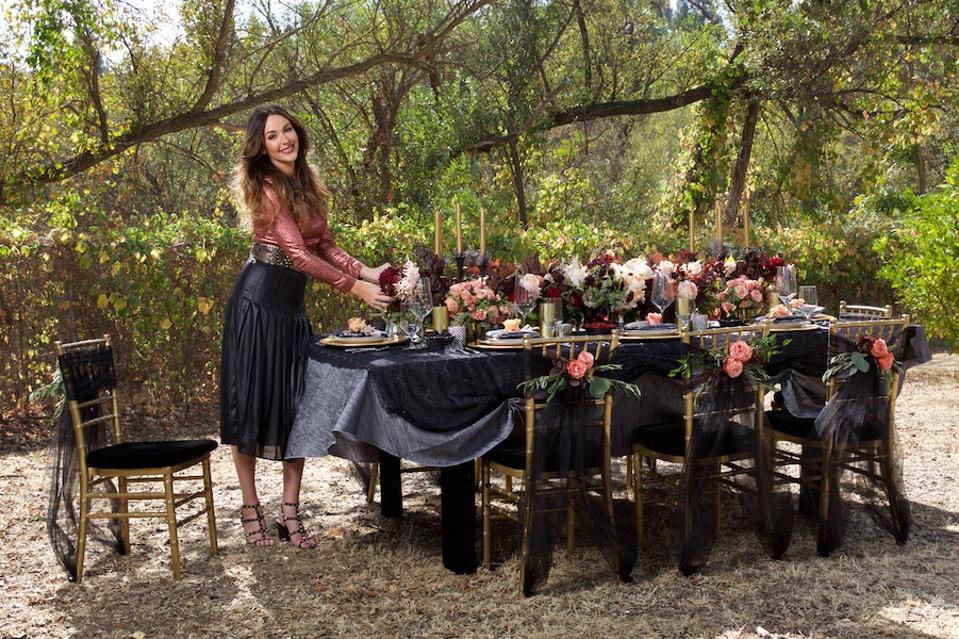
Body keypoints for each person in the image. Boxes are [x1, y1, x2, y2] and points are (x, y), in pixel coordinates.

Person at [221, 105, 393, 548]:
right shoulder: (268, 185)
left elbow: (326, 245)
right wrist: (355, 288)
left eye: (288, 130)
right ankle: (249, 508)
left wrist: (367, 270)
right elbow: (297, 255)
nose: (284, 140)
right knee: (253, 408)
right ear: (262, 147)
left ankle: (290, 511)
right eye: (273, 135)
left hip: (291, 310)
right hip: (257, 307)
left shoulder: (307, 182)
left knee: (295, 407)